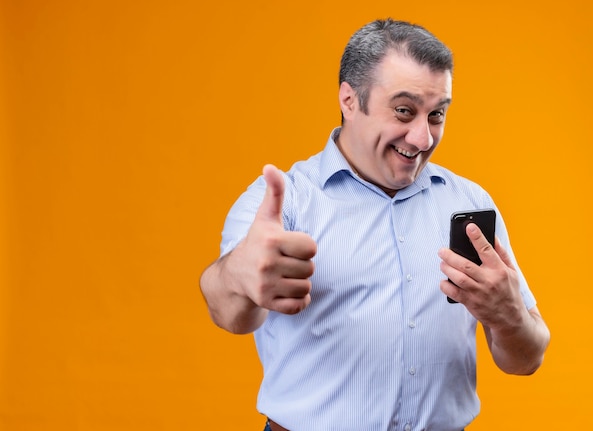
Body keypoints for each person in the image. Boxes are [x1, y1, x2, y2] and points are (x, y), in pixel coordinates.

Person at [200, 18, 550, 431]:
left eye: (436, 115)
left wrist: (509, 318)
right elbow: (230, 313)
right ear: (350, 100)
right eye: (404, 111)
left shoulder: (470, 204)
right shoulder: (283, 202)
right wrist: (239, 276)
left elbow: (526, 359)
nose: (422, 138)